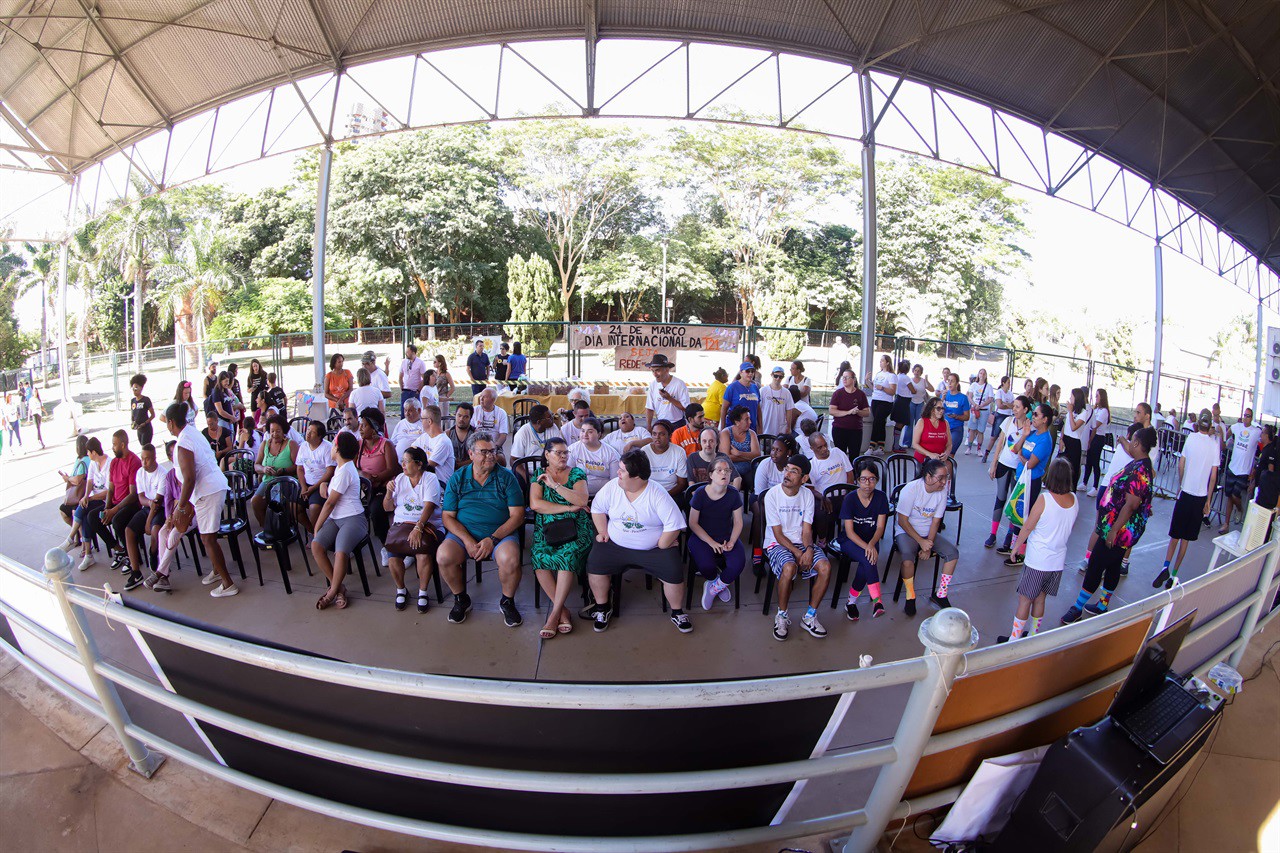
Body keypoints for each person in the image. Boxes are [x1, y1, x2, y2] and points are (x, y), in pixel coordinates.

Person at [585, 450, 691, 633]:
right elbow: (597, 508)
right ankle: (602, 608)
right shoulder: (612, 487)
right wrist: (602, 531)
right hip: (615, 545)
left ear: (637, 477)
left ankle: (677, 612)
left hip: (652, 549)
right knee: (595, 564)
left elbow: (674, 524)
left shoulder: (657, 493)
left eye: (622, 471)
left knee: (673, 570)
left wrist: (664, 543)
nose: (617, 473)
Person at [1063, 427, 1157, 623]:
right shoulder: (1141, 464)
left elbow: (1131, 504)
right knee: (1113, 566)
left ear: (1138, 444)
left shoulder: (1139, 470)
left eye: (1132, 441)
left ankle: (1078, 608)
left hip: (1118, 531)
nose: (1130, 444)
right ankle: (1102, 604)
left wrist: (1114, 530)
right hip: (1118, 528)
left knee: (1096, 564)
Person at [438, 431, 525, 626]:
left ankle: (507, 601)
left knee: (510, 559)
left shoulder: (507, 477)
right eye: (484, 452)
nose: (490, 456)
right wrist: (468, 540)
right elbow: (447, 517)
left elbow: (517, 516)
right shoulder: (458, 478)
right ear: (471, 454)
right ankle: (461, 598)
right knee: (444, 556)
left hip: (500, 534)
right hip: (463, 534)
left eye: (492, 451)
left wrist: (492, 539)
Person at [998, 458, 1079, 643]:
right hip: (1056, 562)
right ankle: (1033, 635)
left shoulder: (1045, 499)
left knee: (1024, 600)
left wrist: (1016, 547)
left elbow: (1027, 527)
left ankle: (1014, 639)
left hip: (1038, 560)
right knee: (1041, 599)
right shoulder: (1074, 499)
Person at [162, 402, 237, 596]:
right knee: (208, 536)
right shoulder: (192, 432)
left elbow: (189, 478)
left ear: (171, 423)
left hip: (207, 492)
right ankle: (217, 571)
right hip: (211, 488)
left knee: (208, 539)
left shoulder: (184, 441)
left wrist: (180, 506)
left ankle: (228, 584)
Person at [1074, 402, 1156, 575]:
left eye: (1138, 412)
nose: (1135, 414)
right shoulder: (1132, 453)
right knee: (1104, 528)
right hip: (1112, 491)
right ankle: (1094, 560)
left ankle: (1107, 561)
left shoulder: (1135, 454)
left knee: (1114, 530)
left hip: (1119, 493)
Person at [529, 436, 593, 638]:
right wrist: (568, 507)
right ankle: (563, 611)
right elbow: (536, 505)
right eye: (559, 452)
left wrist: (555, 486)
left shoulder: (576, 473)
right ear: (547, 455)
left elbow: (582, 499)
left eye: (566, 452)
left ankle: (554, 614)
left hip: (576, 526)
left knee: (567, 555)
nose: (564, 456)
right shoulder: (539, 475)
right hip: (547, 526)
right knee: (539, 558)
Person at [763, 454, 831, 640]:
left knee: (825, 566)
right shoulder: (772, 495)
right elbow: (777, 534)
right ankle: (782, 615)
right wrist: (799, 553)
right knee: (789, 566)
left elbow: (807, 530)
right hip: (777, 543)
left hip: (801, 542)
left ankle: (809, 616)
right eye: (787, 469)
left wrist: (808, 550)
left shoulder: (807, 495)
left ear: (804, 479)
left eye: (794, 471)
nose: (788, 474)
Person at [1155, 409, 1220, 589]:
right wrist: (1208, 499)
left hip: (1186, 492)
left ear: (1198, 424)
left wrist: (1181, 483)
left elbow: (1181, 463)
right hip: (1199, 497)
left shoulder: (1190, 439)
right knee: (1186, 539)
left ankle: (1165, 566)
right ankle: (1174, 575)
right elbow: (1213, 476)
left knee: (1175, 535)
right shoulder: (1214, 445)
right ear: (1211, 426)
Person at [310, 431, 368, 610]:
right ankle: (339, 587)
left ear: (338, 448)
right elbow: (334, 494)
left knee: (340, 553)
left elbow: (329, 503)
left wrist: (317, 526)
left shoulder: (346, 470)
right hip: (337, 519)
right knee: (316, 546)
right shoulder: (340, 468)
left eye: (334, 444)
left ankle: (332, 592)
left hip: (353, 519)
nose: (331, 447)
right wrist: (324, 484)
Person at [382, 446, 443, 613]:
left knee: (422, 552)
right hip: (402, 526)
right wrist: (388, 493)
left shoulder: (429, 478)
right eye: (402, 461)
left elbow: (429, 506)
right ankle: (401, 589)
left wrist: (418, 527)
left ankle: (423, 592)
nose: (402, 464)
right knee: (393, 557)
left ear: (418, 464)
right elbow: (388, 508)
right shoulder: (400, 479)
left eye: (406, 461)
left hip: (427, 526)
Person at [895, 458, 960, 615]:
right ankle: (910, 596)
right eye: (941, 478)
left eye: (946, 477)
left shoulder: (942, 491)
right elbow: (902, 521)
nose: (944, 482)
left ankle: (941, 594)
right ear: (928, 477)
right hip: (907, 531)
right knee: (908, 560)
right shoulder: (911, 489)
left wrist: (928, 544)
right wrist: (921, 542)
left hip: (927, 533)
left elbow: (936, 521)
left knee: (953, 554)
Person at [996, 403, 1055, 565]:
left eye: (1036, 415)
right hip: (1021, 478)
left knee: (1025, 516)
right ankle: (1013, 546)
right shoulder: (1033, 434)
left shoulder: (1045, 440)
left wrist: (1022, 455)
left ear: (1045, 419)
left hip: (1031, 481)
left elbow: (1031, 464)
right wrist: (1024, 435)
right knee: (1017, 513)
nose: (1032, 417)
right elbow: (1015, 449)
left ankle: (1020, 552)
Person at [689, 455, 746, 609]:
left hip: (725, 536)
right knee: (707, 565)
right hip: (701, 537)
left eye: (727, 471)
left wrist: (732, 541)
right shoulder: (700, 493)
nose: (724, 474)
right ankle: (714, 580)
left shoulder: (733, 494)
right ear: (711, 475)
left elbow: (738, 521)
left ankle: (715, 587)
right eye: (719, 470)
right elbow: (693, 523)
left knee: (738, 563)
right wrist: (711, 542)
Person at [839, 458, 890, 620]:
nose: (867, 483)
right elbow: (849, 532)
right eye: (863, 479)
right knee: (869, 560)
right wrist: (868, 547)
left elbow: (880, 527)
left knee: (866, 563)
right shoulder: (850, 499)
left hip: (872, 539)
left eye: (872, 479)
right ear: (857, 480)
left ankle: (851, 602)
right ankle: (878, 601)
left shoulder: (881, 498)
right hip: (850, 541)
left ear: (876, 480)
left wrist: (871, 544)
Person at [89, 430, 142, 574]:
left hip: (130, 504)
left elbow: (133, 494)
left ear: (123, 445)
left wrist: (114, 510)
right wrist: (107, 508)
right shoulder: (114, 462)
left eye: (114, 444)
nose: (112, 448)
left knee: (118, 520)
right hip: (115, 503)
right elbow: (111, 489)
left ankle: (133, 559)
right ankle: (120, 550)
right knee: (93, 517)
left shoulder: (134, 461)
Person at [985, 395, 1032, 549]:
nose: (1014, 409)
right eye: (1014, 406)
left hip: (1018, 468)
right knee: (1000, 498)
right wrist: (994, 463)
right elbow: (1000, 443)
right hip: (1004, 464)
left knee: (1014, 501)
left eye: (1018, 407)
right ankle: (993, 533)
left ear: (1025, 409)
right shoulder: (1008, 421)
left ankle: (1010, 534)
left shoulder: (1029, 428)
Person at [356, 408, 400, 565]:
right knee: (354, 508)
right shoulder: (359, 445)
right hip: (364, 488)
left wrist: (373, 478)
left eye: (364, 425)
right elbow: (354, 467)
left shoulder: (386, 445)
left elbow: (393, 469)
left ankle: (387, 546)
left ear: (374, 427)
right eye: (360, 425)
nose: (360, 429)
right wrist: (363, 475)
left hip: (382, 487)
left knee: (376, 511)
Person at [122, 443, 167, 591]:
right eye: (142, 459)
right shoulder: (140, 473)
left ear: (154, 458)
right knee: (129, 531)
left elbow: (158, 502)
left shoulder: (162, 474)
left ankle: (154, 558)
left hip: (160, 510)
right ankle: (136, 572)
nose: (143, 462)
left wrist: (148, 523)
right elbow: (140, 497)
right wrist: (148, 503)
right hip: (147, 507)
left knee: (155, 532)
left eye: (147, 459)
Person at [250, 415, 298, 527]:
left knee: (277, 504)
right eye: (272, 431)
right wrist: (263, 469)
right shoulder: (265, 444)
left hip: (285, 481)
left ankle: (283, 528)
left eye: (278, 431)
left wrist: (284, 470)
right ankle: (267, 528)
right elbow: (256, 465)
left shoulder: (291, 444)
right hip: (268, 480)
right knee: (255, 502)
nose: (275, 434)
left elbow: (298, 466)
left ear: (284, 431)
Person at [1222, 408, 1262, 533]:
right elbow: (1228, 432)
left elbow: (1263, 441)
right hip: (1232, 467)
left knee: (1235, 495)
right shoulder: (1237, 427)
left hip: (1244, 471)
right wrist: (1223, 439)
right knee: (1229, 496)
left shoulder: (1256, 432)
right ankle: (1226, 524)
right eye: (1245, 415)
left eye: (1249, 416)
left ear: (1252, 417)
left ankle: (1240, 509)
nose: (1246, 418)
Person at [73, 438, 110, 568]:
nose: (87, 455)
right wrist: (86, 496)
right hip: (94, 498)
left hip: (106, 500)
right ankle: (87, 553)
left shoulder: (109, 464)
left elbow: (109, 492)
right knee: (84, 507)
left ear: (93, 452)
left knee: (87, 512)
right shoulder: (93, 463)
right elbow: (89, 481)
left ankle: (72, 539)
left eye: (88, 452)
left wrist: (90, 498)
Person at [806, 432, 851, 538]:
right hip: (826, 499)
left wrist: (849, 493)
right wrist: (822, 497)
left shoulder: (838, 452)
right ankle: (824, 540)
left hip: (844, 495)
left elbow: (850, 473)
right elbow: (810, 489)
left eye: (825, 445)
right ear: (812, 448)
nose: (825, 449)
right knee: (823, 513)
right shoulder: (812, 465)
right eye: (820, 447)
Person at [295, 420, 334, 534]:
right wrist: (303, 487)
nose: (308, 433)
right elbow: (300, 468)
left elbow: (330, 471)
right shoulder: (303, 446)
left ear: (319, 436)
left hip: (321, 484)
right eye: (308, 430)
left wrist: (313, 488)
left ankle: (317, 534)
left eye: (312, 432)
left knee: (314, 508)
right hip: (305, 483)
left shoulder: (327, 447)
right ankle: (312, 530)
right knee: (293, 507)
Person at [568, 418, 620, 497]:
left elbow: (615, 482)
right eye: (582, 431)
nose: (585, 434)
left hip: (604, 495)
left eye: (590, 432)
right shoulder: (573, 449)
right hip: (577, 494)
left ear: (599, 435)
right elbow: (568, 474)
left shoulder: (611, 454)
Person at [58, 435, 92, 550]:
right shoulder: (78, 459)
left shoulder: (86, 460)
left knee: (74, 511)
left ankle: (84, 543)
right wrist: (69, 478)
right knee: (63, 510)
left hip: (81, 495)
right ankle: (77, 532)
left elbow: (77, 480)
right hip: (75, 495)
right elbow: (74, 477)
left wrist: (68, 479)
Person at [641, 420, 689, 501]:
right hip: (649, 494)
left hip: (672, 494)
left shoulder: (679, 452)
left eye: (662, 434)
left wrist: (665, 496)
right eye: (654, 434)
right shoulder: (644, 451)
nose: (657, 437)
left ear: (670, 435)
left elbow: (682, 483)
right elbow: (640, 480)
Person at [828, 369, 869, 459]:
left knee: (854, 456)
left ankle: (854, 472)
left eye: (847, 377)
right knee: (840, 456)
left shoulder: (861, 394)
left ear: (853, 379)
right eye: (843, 377)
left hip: (856, 430)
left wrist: (858, 412)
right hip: (839, 429)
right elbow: (831, 411)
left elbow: (867, 412)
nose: (844, 379)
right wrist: (848, 412)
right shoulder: (838, 393)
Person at [411, 404, 455, 487]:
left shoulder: (443, 442)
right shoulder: (424, 437)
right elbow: (410, 452)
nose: (421, 422)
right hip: (426, 481)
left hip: (439, 484)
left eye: (422, 419)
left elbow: (428, 466)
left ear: (429, 421)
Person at [644, 353, 691, 430]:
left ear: (667, 370)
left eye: (657, 370)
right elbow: (649, 408)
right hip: (660, 423)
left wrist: (669, 398)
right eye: (652, 371)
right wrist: (649, 426)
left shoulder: (679, 384)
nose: (655, 374)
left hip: (677, 424)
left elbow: (686, 408)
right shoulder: (653, 385)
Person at [719, 405, 761, 483]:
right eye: (747, 419)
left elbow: (757, 455)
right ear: (737, 422)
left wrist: (739, 453)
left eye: (749, 419)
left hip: (750, 469)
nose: (750, 422)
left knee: (756, 477)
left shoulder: (752, 433)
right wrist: (749, 457)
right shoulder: (726, 433)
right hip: (732, 470)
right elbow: (726, 457)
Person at [1061, 387, 1092, 489]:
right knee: (1061, 466)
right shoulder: (1072, 411)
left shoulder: (1083, 413)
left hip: (1074, 442)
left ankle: (1071, 491)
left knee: (1072, 469)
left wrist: (1070, 412)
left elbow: (1074, 427)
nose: (1070, 398)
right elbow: (1066, 425)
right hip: (1066, 439)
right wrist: (1061, 438)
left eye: (1072, 396)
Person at [1082, 389, 1111, 494]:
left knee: (1095, 461)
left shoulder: (1104, 411)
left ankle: (1095, 486)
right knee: (1088, 461)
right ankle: (1084, 482)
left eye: (1097, 396)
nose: (1096, 398)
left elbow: (1095, 424)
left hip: (1098, 438)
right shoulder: (1096, 409)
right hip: (1092, 435)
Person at [982, 375, 1015, 463]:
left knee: (1005, 437)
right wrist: (1008, 405)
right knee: (994, 436)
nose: (1009, 384)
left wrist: (1006, 404)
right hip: (1000, 415)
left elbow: (1013, 405)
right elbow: (999, 405)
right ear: (1003, 383)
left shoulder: (1010, 393)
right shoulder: (999, 392)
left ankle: (1000, 456)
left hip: (1008, 416)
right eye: (1008, 382)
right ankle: (986, 453)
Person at [868, 355, 896, 454]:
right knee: (880, 423)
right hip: (875, 399)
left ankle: (871, 446)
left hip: (885, 402)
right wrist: (867, 381)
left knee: (877, 422)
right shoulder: (878, 374)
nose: (880, 362)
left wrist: (883, 388)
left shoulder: (891, 375)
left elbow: (893, 391)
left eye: (882, 361)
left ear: (887, 362)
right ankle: (881, 447)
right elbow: (874, 388)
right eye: (880, 361)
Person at [472, 388, 509, 463]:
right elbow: (470, 431)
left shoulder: (501, 413)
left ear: (492, 400)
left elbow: (503, 436)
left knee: (501, 459)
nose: (481, 398)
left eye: (484, 397)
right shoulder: (474, 410)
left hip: (494, 446)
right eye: (481, 396)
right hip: (476, 445)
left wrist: (493, 448)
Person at [911, 396, 951, 465]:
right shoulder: (922, 422)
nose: (941, 411)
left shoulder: (945, 423)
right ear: (931, 409)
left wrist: (946, 454)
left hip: (939, 461)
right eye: (938, 408)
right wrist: (930, 454)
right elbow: (914, 444)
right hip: (923, 460)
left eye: (942, 408)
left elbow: (949, 444)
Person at [721, 361, 761, 430]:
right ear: (741, 373)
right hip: (734, 429)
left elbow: (758, 409)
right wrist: (722, 429)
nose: (750, 373)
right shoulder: (732, 387)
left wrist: (760, 427)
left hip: (751, 428)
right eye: (748, 371)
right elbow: (724, 409)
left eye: (752, 371)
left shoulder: (755, 388)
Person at [903, 364, 934, 451]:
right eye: (915, 370)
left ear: (921, 372)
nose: (916, 372)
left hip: (920, 403)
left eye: (918, 371)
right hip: (911, 402)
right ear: (913, 371)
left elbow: (932, 389)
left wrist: (927, 380)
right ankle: (906, 442)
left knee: (919, 423)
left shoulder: (923, 381)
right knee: (909, 423)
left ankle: (917, 442)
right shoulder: (909, 380)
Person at [760, 366, 796, 437]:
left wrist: (788, 427)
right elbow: (758, 409)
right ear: (771, 375)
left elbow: (789, 410)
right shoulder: (763, 390)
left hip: (780, 430)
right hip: (765, 428)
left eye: (780, 377)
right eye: (775, 376)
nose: (778, 379)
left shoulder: (786, 392)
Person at [964, 369, 993, 455]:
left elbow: (990, 398)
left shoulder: (989, 386)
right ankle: (969, 447)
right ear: (978, 375)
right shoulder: (973, 385)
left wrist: (982, 405)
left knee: (981, 430)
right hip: (974, 410)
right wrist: (974, 404)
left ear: (986, 375)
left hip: (983, 411)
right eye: (980, 373)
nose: (982, 375)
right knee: (972, 429)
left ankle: (979, 449)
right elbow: (969, 396)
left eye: (984, 373)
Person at [942, 373, 971, 457]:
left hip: (956, 428)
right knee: (941, 453)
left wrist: (956, 416)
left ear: (957, 383)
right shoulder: (944, 395)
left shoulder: (963, 398)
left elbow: (967, 417)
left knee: (949, 454)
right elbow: (936, 411)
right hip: (943, 428)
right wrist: (942, 399)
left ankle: (949, 469)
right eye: (948, 381)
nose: (950, 383)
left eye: (952, 381)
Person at [1254, 425, 1279, 512]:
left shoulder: (1271, 450)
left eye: (1262, 433)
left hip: (1263, 488)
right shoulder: (1264, 449)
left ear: (1267, 435)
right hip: (1259, 484)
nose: (1260, 435)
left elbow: (1270, 470)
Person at [891, 359, 913, 450]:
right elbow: (913, 390)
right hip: (904, 401)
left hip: (899, 399)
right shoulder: (906, 378)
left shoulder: (898, 376)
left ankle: (895, 443)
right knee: (901, 422)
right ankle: (896, 445)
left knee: (899, 423)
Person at [399, 344, 428, 408]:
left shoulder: (420, 363)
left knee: (415, 410)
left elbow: (424, 378)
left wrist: (418, 390)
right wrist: (402, 389)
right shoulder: (404, 362)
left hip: (415, 391)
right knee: (404, 411)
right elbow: (400, 376)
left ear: (413, 352)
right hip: (405, 391)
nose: (406, 353)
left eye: (408, 352)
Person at [446, 402, 474, 468]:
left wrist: (459, 465)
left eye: (465, 417)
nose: (461, 419)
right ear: (455, 415)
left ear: (471, 418)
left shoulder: (475, 434)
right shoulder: (447, 434)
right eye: (459, 415)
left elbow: (479, 457)